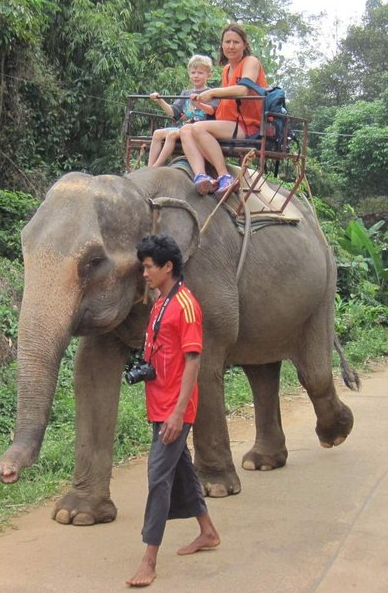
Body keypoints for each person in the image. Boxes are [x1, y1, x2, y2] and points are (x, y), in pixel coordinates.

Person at [128, 234, 220, 588]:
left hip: (175, 410)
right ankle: (208, 531)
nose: (145, 274)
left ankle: (149, 561)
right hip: (160, 405)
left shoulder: (186, 306)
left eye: (149, 267)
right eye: (143, 267)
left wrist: (179, 413)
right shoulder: (160, 303)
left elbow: (193, 360)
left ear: (168, 267)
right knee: (180, 469)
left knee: (158, 477)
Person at [179, 23, 267, 197]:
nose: (231, 46)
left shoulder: (251, 62)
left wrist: (211, 92)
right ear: (222, 45)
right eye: (227, 42)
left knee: (198, 128)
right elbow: (223, 105)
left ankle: (223, 176)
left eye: (236, 42)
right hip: (227, 122)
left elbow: (243, 90)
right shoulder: (226, 69)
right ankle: (201, 176)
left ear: (244, 44)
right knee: (185, 129)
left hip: (246, 125)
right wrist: (201, 104)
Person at [147, 55, 214, 168]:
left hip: (197, 131)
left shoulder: (210, 93)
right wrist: (160, 100)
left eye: (200, 73)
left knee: (172, 134)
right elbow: (173, 112)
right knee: (157, 133)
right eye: (193, 72)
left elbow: (212, 112)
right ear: (189, 74)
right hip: (183, 128)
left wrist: (199, 103)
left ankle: (156, 167)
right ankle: (149, 167)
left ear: (209, 75)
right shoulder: (186, 93)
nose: (196, 76)